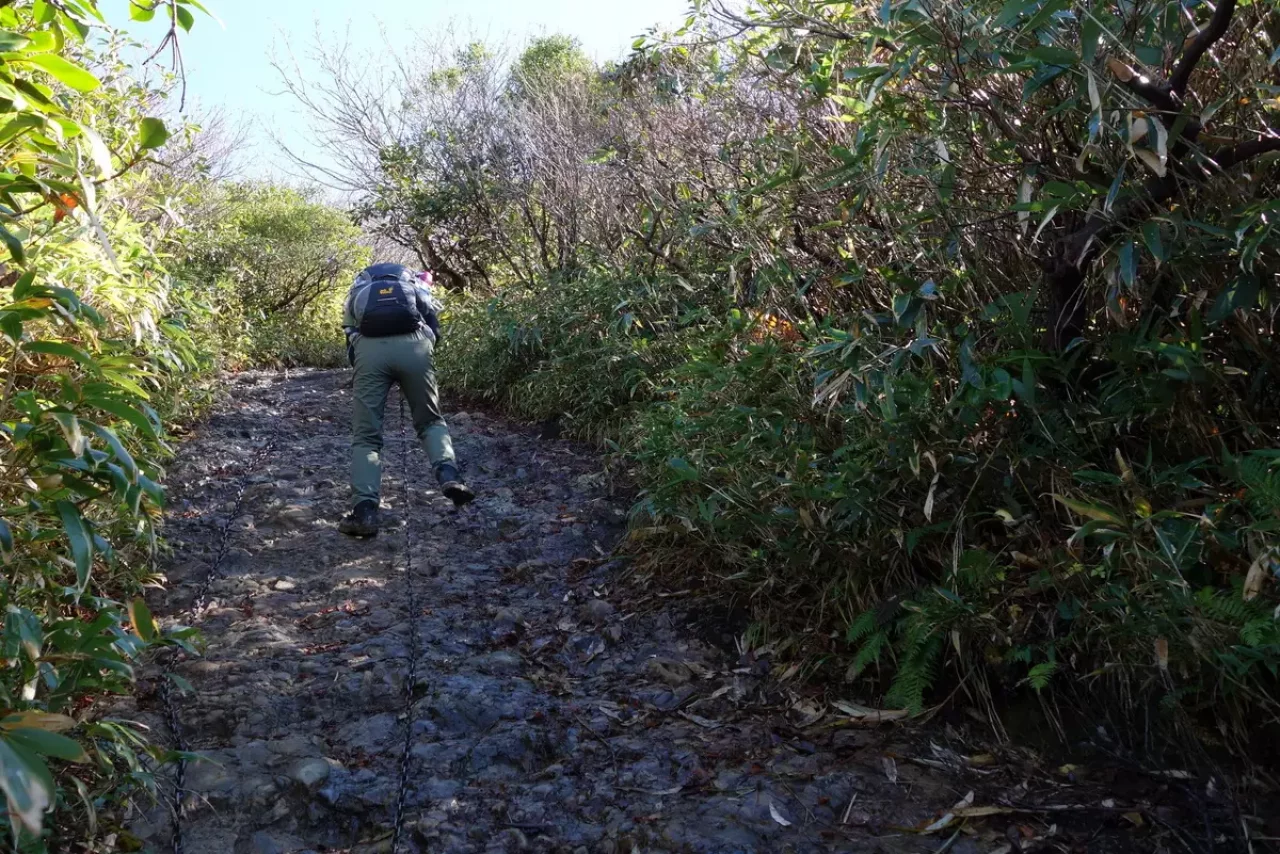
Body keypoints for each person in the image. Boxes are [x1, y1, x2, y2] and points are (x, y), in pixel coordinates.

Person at [338, 262, 475, 537]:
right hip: (415, 348)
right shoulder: (414, 285)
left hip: (370, 352)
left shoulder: (358, 289)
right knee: (430, 421)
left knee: (366, 437)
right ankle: (449, 475)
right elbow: (435, 328)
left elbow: (349, 338)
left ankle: (364, 513)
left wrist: (368, 364)